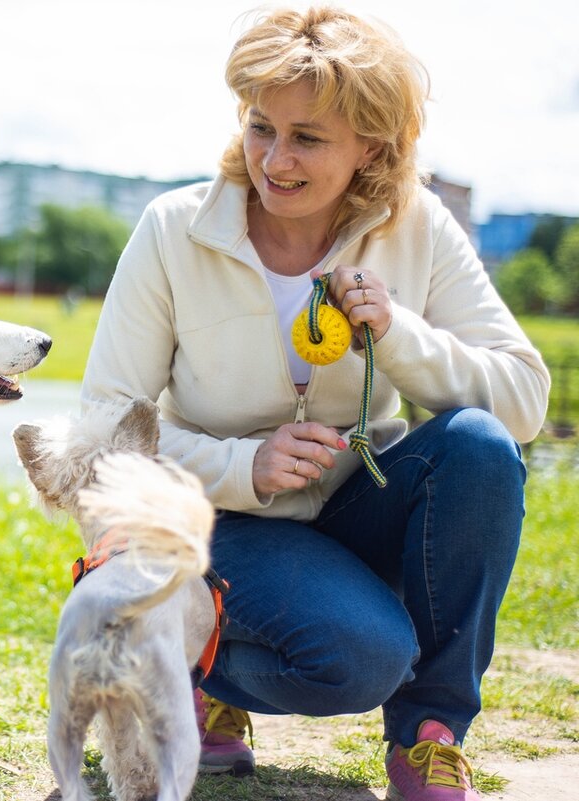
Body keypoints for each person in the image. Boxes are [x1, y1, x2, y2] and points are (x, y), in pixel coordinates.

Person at [80, 6, 550, 800]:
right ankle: (187, 658)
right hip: (214, 526)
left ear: (373, 145)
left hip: (353, 514)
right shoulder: (174, 229)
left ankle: (430, 734)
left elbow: (524, 400)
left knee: (477, 443)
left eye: (309, 137)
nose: (275, 159)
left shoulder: (418, 226)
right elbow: (101, 433)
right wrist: (243, 465)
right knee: (359, 658)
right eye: (262, 126)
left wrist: (396, 333)